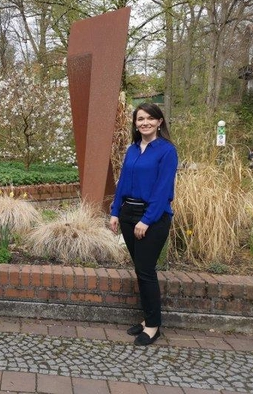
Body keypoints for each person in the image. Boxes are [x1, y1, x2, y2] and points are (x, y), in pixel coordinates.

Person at [109, 102, 178, 346]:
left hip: (153, 217)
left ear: (160, 122)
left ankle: (153, 326)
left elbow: (163, 190)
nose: (145, 122)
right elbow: (123, 182)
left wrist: (146, 220)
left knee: (146, 271)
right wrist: (115, 212)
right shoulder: (132, 149)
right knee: (140, 269)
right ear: (135, 124)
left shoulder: (166, 151)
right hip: (128, 215)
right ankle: (148, 317)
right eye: (140, 119)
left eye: (150, 118)